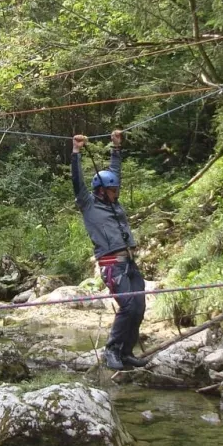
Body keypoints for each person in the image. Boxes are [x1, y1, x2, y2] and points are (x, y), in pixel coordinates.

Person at [72, 128, 147, 370]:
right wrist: (76, 152)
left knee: (139, 307)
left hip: (129, 261)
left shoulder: (114, 200)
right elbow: (77, 182)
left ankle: (126, 353)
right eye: (114, 190)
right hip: (111, 263)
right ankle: (111, 351)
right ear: (102, 191)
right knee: (127, 306)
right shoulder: (88, 205)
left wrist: (116, 146)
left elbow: (114, 173)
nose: (117, 193)